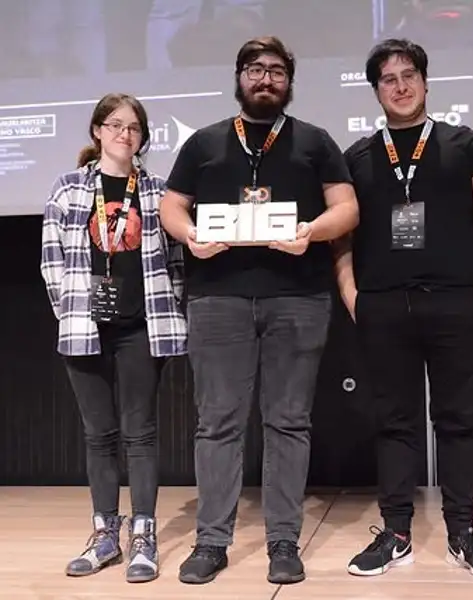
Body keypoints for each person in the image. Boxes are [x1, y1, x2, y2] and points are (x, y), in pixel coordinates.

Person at [159, 36, 359, 585]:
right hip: (217, 299)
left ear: (289, 81)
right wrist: (192, 236)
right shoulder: (203, 143)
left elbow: (347, 208)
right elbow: (171, 207)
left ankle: (283, 541)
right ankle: (210, 542)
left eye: (275, 70)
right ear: (239, 77)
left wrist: (313, 233)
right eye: (254, 69)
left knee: (288, 421)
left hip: (298, 296)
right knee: (217, 423)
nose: (264, 79)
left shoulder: (314, 142)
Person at [335, 38, 473, 579]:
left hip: (457, 301)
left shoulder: (466, 144)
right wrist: (352, 295)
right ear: (376, 91)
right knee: (394, 422)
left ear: (426, 82)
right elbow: (340, 232)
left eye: (409, 75)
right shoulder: (359, 157)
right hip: (383, 306)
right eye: (389, 79)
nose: (401, 86)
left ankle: (462, 531)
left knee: (458, 420)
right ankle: (395, 533)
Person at [40, 93, 187, 583]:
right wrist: (71, 311)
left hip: (140, 327)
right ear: (98, 131)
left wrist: (170, 308)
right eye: (117, 125)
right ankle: (105, 534)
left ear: (143, 138)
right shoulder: (68, 189)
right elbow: (51, 259)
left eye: (135, 128)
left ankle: (143, 536)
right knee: (98, 435)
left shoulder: (159, 191)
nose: (126, 135)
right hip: (86, 328)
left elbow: (177, 262)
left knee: (140, 432)